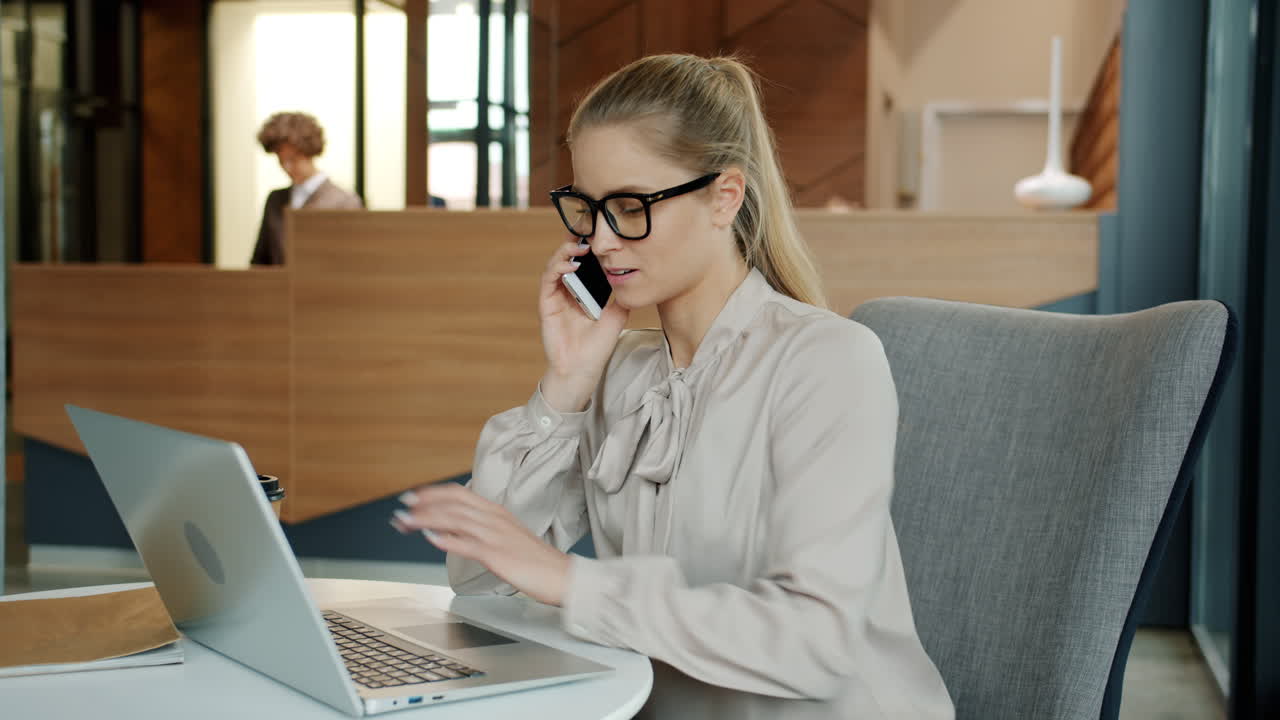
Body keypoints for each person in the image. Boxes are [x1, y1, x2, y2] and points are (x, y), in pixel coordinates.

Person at [392, 54, 955, 719]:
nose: (600, 240)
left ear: (725, 197)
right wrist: (568, 382)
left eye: (630, 207)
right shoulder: (624, 374)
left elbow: (813, 642)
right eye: (587, 208)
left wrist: (574, 584)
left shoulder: (829, 361)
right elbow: (484, 584)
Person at [250, 111, 362, 265]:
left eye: (293, 159)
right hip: (278, 288)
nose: (287, 168)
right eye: (281, 161)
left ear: (310, 152)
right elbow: (260, 261)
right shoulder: (275, 200)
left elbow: (353, 263)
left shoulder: (344, 202)